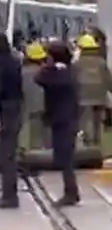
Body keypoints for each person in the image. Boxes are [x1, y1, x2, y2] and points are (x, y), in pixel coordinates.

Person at [35, 40, 81, 207]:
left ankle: (71, 192)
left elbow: (39, 78)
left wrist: (48, 67)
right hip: (63, 119)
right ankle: (71, 191)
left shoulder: (62, 74)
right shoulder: (67, 71)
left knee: (65, 158)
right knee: (63, 157)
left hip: (65, 120)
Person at [0, 32, 24, 209]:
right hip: (17, 107)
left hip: (7, 110)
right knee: (10, 152)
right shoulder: (15, 61)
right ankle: (10, 194)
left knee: (6, 154)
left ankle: (9, 196)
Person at [73, 33, 112, 146]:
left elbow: (73, 78)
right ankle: (97, 139)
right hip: (99, 94)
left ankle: (88, 140)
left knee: (86, 118)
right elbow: (107, 79)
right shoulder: (101, 62)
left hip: (83, 94)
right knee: (97, 118)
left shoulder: (77, 63)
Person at [19, 42, 49, 153]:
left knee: (24, 125)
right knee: (37, 128)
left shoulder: (22, 71)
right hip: (41, 103)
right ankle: (37, 149)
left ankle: (23, 148)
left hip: (24, 102)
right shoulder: (44, 71)